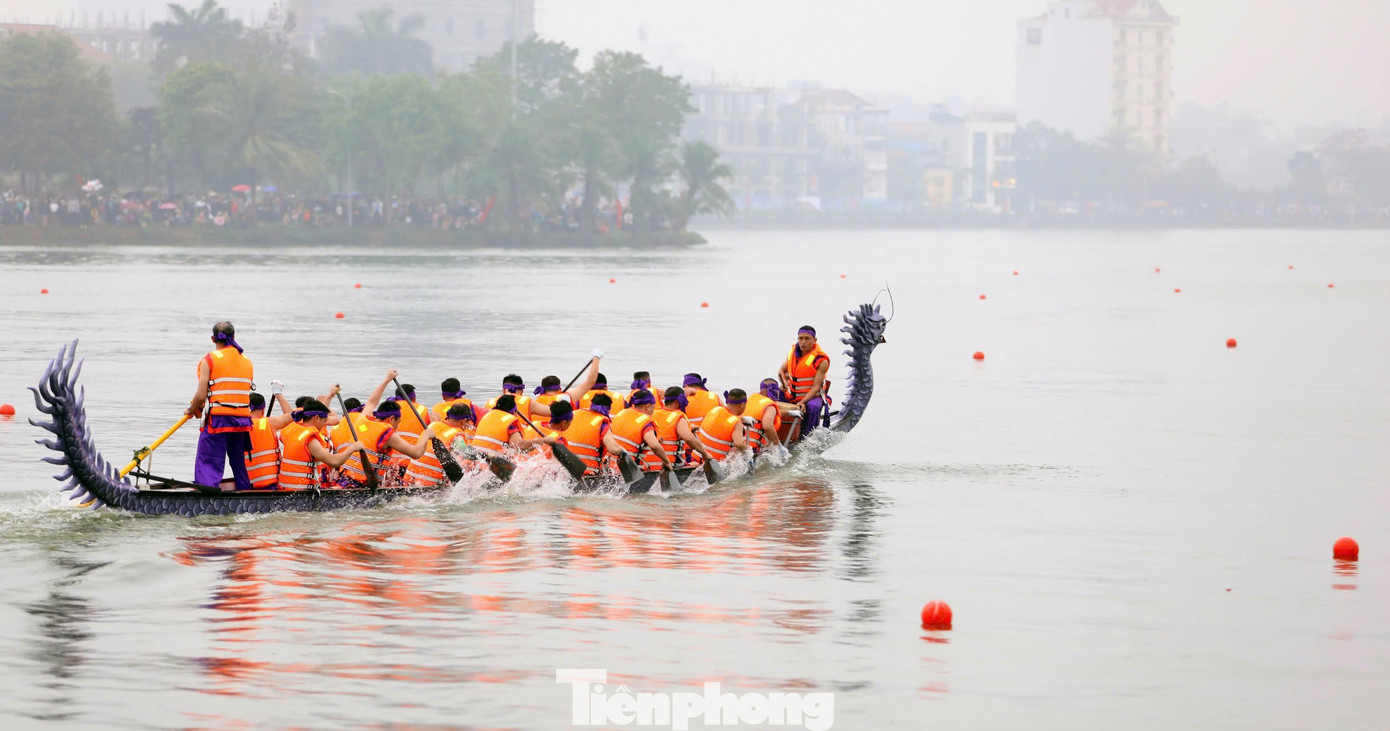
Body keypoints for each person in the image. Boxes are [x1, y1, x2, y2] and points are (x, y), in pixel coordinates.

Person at [185, 322, 255, 490]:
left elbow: (201, 396)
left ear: (213, 338)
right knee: (238, 461)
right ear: (234, 337)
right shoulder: (247, 361)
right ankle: (244, 491)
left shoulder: (210, 359)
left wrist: (191, 409)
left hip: (218, 420)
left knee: (209, 459)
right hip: (242, 422)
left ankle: (206, 493)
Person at [335, 400, 439, 487]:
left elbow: (371, 401)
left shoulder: (362, 420)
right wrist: (425, 435)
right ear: (392, 419)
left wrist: (387, 379)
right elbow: (416, 453)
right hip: (363, 485)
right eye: (398, 422)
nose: (397, 427)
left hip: (344, 480)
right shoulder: (387, 433)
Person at [277, 399, 367, 491]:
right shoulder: (310, 439)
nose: (324, 424)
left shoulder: (289, 430)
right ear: (316, 418)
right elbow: (334, 461)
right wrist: (352, 448)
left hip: (284, 488)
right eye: (324, 421)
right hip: (301, 493)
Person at [778, 325, 832, 436]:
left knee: (813, 407)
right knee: (768, 392)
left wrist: (803, 402)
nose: (803, 342)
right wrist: (783, 383)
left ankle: (809, 436)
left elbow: (816, 387)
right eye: (800, 338)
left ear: (814, 340)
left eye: (807, 339)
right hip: (791, 395)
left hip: (812, 396)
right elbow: (781, 371)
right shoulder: (792, 352)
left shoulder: (821, 360)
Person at [560, 393, 630, 477]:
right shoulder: (602, 423)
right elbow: (613, 449)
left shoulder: (573, 414)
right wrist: (623, 451)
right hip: (587, 475)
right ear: (608, 409)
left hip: (564, 472)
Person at [406, 403, 475, 486]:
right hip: (428, 484)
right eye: (468, 422)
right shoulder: (456, 435)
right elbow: (466, 453)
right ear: (463, 421)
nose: (468, 426)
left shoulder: (432, 425)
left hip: (408, 479)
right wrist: (484, 455)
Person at [609, 389, 674, 473]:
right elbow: (654, 446)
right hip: (629, 470)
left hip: (610, 466)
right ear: (648, 406)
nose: (653, 411)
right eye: (653, 408)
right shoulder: (645, 422)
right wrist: (666, 461)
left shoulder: (622, 413)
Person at [471, 395, 559, 455]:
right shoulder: (509, 422)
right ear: (514, 412)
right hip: (491, 466)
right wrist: (543, 440)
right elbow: (520, 446)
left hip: (475, 459)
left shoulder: (486, 416)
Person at [244, 391, 295, 490]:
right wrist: (278, 393)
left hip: (245, 482)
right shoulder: (270, 423)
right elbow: (292, 416)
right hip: (269, 484)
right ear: (263, 410)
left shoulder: (238, 424)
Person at [653, 386, 714, 467]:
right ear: (678, 401)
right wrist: (704, 453)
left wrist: (690, 427)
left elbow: (666, 428)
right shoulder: (679, 417)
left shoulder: (654, 413)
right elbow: (687, 437)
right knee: (698, 464)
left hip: (650, 464)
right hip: (670, 465)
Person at [697, 389, 751, 462]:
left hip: (697, 456)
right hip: (714, 463)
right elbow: (738, 443)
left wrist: (742, 418)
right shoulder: (737, 424)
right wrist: (748, 453)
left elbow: (725, 418)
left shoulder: (716, 409)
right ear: (742, 405)